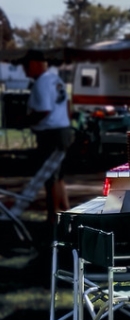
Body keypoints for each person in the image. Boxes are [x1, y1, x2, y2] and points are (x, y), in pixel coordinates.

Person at [25, 51, 72, 223]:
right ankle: (65, 211)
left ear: (35, 64)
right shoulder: (55, 79)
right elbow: (67, 104)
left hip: (50, 134)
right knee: (58, 176)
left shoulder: (41, 84)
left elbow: (44, 110)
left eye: (26, 65)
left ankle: (53, 216)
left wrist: (27, 121)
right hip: (63, 130)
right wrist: (67, 122)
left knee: (49, 177)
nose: (24, 70)